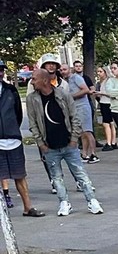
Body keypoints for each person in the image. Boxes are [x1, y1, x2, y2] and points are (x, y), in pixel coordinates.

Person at [27, 69, 103, 216]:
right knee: (56, 177)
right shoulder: (32, 99)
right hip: (49, 146)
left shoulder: (62, 94)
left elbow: (74, 117)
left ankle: (92, 201)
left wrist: (74, 139)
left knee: (80, 173)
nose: (31, 81)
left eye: (34, 78)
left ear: (44, 80)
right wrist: (41, 144)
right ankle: (64, 202)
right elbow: (33, 123)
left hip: (68, 143)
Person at [0, 60, 44, 217]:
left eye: (1, 70)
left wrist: (12, 129)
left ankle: (28, 207)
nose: (0, 73)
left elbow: (18, 112)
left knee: (20, 175)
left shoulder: (10, 90)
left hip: (13, 139)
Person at [28, 54, 71, 194]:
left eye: (53, 64)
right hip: (45, 126)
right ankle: (55, 180)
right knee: (48, 157)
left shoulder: (63, 84)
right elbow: (31, 106)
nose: (51, 66)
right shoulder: (33, 84)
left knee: (70, 154)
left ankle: (78, 180)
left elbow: (69, 106)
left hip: (62, 125)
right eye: (48, 64)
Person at [60, 64, 99, 163]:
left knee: (87, 131)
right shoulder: (65, 81)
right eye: (61, 70)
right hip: (75, 108)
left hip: (82, 107)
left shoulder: (76, 78)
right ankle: (84, 154)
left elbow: (86, 90)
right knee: (81, 132)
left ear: (70, 69)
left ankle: (94, 154)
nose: (62, 71)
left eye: (64, 69)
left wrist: (71, 97)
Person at [95, 66, 118, 151]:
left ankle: (109, 142)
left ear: (105, 72)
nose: (99, 73)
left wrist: (102, 93)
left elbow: (112, 93)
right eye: (98, 71)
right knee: (110, 123)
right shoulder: (100, 82)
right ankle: (113, 142)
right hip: (103, 102)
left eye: (100, 71)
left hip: (108, 103)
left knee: (107, 123)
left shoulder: (109, 81)